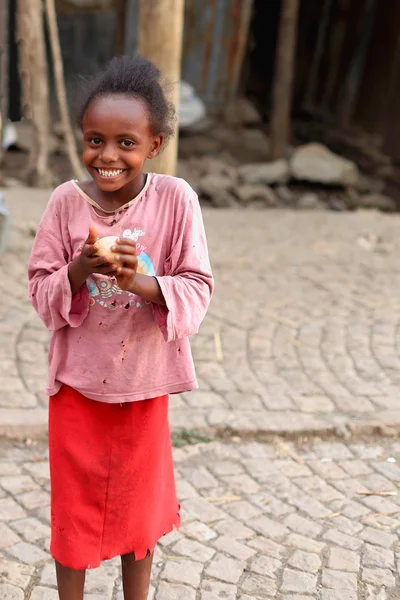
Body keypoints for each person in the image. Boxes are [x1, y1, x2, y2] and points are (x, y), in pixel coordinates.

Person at [28, 55, 214, 600]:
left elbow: (197, 288)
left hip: (143, 386)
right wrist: (79, 270)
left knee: (140, 516)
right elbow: (41, 291)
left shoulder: (176, 201)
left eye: (126, 143)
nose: (107, 156)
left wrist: (143, 283)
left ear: (154, 144)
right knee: (73, 517)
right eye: (94, 140)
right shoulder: (66, 203)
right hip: (77, 389)